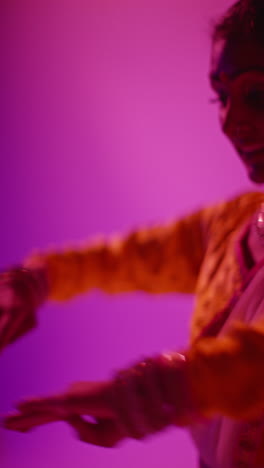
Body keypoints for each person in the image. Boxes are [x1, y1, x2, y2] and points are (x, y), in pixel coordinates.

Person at [3, 0, 264, 466]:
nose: (229, 119)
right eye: (220, 96)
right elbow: (126, 257)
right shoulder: (233, 227)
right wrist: (29, 281)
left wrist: (157, 389)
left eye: (255, 94)